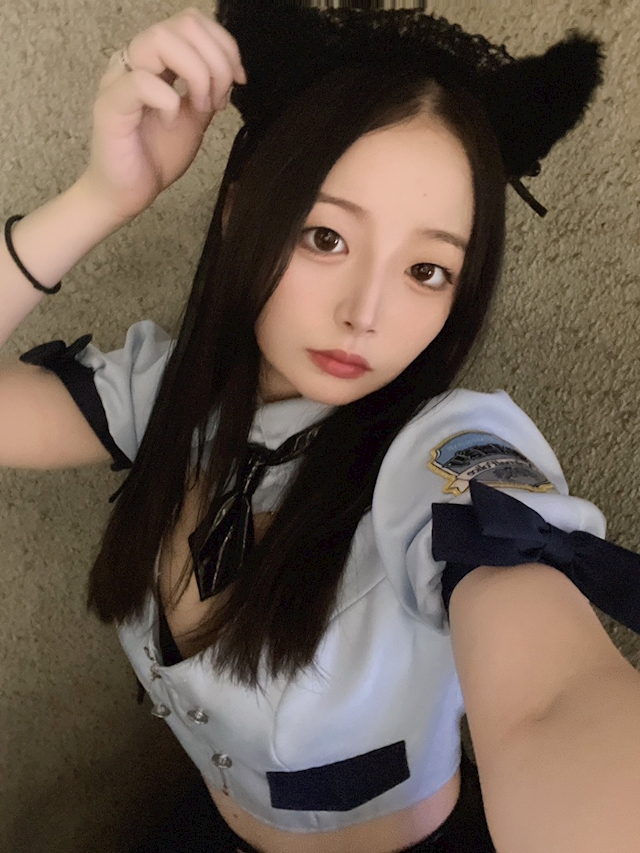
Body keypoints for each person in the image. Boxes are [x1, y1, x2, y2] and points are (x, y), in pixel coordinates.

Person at [2, 4, 640, 852]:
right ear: (239, 212)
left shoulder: (441, 451)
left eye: (427, 269)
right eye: (326, 235)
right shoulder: (164, 392)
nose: (365, 314)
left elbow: (551, 700)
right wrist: (100, 197)